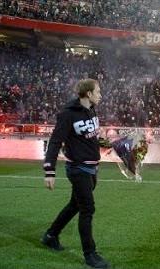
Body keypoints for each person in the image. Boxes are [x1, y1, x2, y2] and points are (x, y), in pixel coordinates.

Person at [41, 78, 110, 269]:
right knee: (87, 209)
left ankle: (50, 235)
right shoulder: (67, 114)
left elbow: (90, 137)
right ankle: (90, 254)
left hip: (91, 168)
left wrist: (107, 144)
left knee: (74, 205)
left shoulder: (91, 110)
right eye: (98, 91)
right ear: (88, 94)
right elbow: (55, 142)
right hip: (78, 169)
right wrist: (49, 171)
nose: (100, 95)